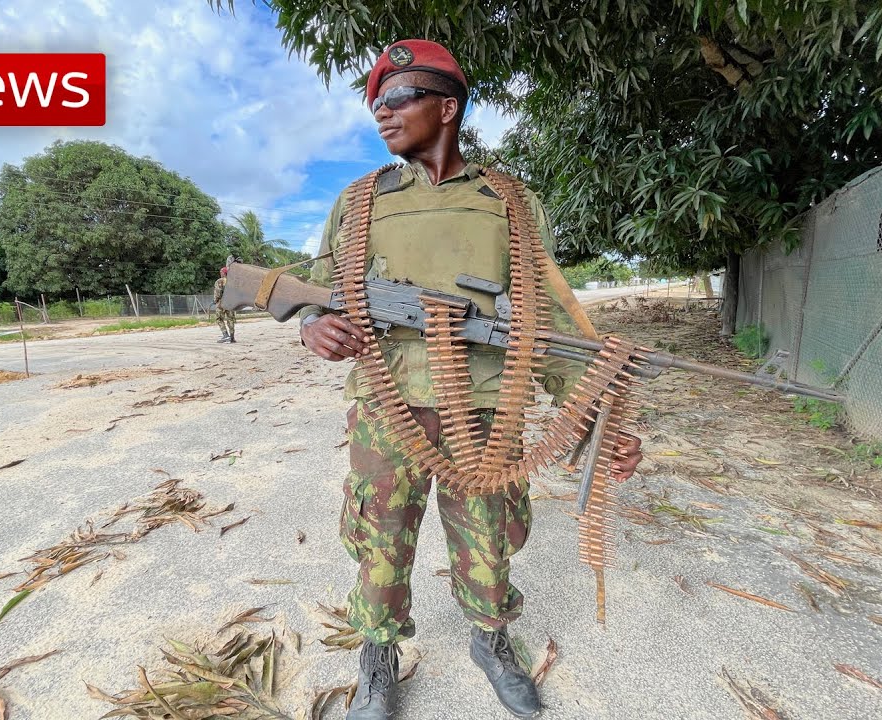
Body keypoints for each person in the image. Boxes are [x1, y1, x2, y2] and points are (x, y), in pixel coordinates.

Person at [297, 40, 644, 719]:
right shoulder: (359, 200)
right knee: (378, 537)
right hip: (386, 404)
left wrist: (602, 425)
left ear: (447, 107)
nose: (382, 113)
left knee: (490, 534)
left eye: (398, 99)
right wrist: (313, 323)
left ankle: (491, 639)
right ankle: (378, 653)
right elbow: (317, 287)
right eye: (376, 104)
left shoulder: (510, 201)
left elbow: (547, 321)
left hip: (487, 407)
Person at [213, 267, 236, 343]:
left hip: (221, 303)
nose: (220, 273)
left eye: (221, 272)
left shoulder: (219, 281)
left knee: (219, 319)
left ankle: (225, 335)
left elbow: (218, 293)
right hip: (230, 303)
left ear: (224, 273)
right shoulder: (233, 281)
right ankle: (232, 337)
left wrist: (215, 300)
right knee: (231, 319)